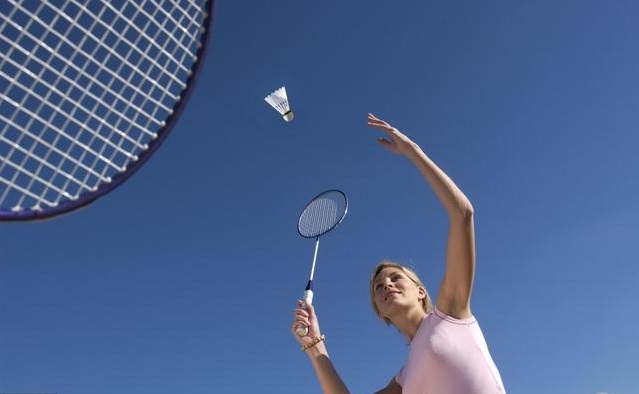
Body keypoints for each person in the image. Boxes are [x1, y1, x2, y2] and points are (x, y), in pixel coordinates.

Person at [291, 113, 506, 393]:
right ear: (380, 312)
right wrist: (314, 346)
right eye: (379, 287)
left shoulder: (451, 312)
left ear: (421, 291)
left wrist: (412, 151)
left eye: (395, 278)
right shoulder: (405, 378)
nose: (386, 285)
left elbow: (462, 214)